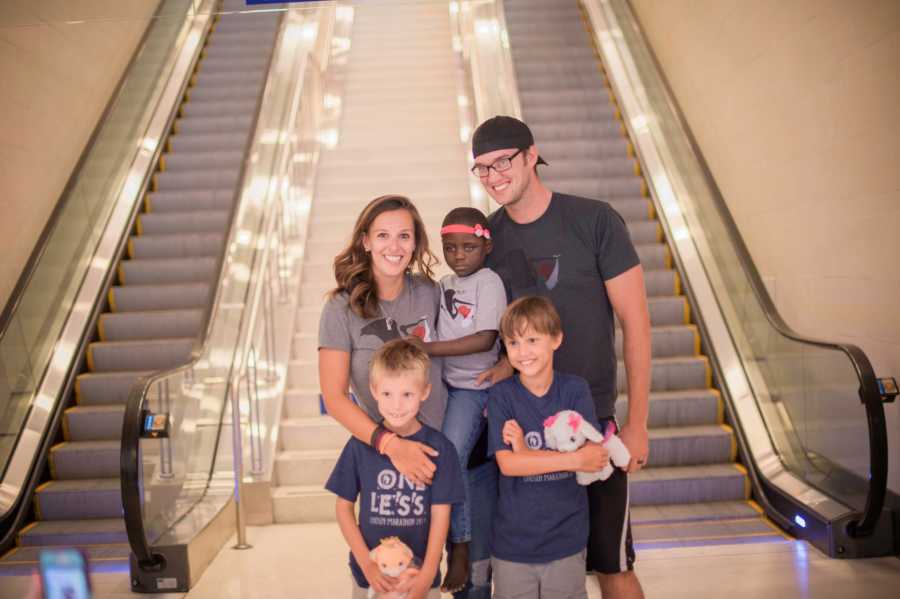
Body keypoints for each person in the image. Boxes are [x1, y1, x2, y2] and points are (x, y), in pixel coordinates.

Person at [472, 116, 652, 599]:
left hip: (594, 423)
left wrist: (637, 423)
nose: (493, 176)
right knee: (531, 569)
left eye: (502, 162)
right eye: (481, 168)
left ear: (532, 155)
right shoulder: (486, 242)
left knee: (612, 565)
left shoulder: (594, 221)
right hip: (522, 429)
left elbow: (636, 324)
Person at [405, 207, 507, 592]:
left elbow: (485, 339)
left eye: (468, 247)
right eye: (450, 248)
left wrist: (428, 349)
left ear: (487, 245)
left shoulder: (489, 281)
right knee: (434, 459)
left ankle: (460, 545)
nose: (459, 255)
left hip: (474, 387)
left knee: (452, 456)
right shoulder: (445, 283)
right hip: (444, 387)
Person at [318, 194, 447, 487]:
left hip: (443, 448)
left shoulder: (431, 293)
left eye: (404, 236)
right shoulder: (340, 307)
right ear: (366, 241)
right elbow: (334, 398)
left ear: (415, 244)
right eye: (383, 235)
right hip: (385, 455)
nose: (394, 246)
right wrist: (392, 446)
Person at [488, 296, 610, 599]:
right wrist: (572, 459)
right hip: (512, 546)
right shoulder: (501, 395)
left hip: (566, 541)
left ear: (556, 339)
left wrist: (525, 452)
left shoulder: (575, 390)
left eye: (532, 339)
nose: (523, 352)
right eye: (513, 343)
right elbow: (509, 465)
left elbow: (593, 459)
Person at [325, 339, 465, 599]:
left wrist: (427, 573)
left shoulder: (440, 448)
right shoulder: (359, 445)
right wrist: (367, 563)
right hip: (370, 579)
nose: (397, 405)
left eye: (407, 394)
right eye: (387, 394)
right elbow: (343, 508)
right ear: (374, 390)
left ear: (425, 391)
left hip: (419, 577)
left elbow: (441, 516)